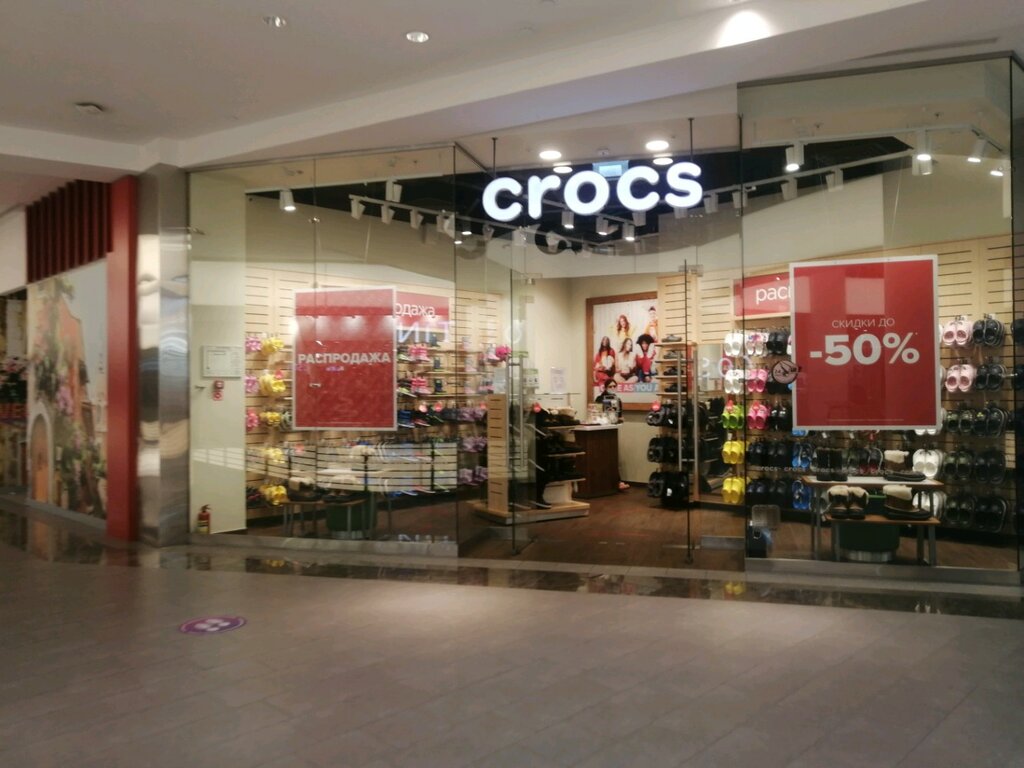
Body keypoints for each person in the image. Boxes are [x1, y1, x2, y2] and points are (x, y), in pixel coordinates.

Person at [594, 381, 629, 491]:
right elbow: (597, 413)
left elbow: (620, 415)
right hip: (601, 430)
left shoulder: (617, 399)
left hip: (612, 429)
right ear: (605, 387)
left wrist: (619, 419)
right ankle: (611, 481)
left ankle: (616, 481)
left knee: (612, 456)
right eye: (610, 386)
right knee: (604, 456)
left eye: (614, 386)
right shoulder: (599, 399)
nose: (613, 388)